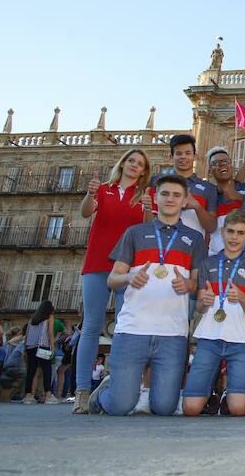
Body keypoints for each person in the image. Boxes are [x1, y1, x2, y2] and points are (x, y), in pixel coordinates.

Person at [89, 173, 206, 416]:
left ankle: (130, 389)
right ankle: (103, 394)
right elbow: (113, 279)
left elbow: (198, 284)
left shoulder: (194, 239)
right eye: (164, 194)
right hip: (133, 330)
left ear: (185, 201)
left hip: (172, 334)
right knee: (120, 407)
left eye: (176, 195)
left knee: (163, 408)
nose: (170, 199)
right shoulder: (135, 233)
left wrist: (189, 285)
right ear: (156, 198)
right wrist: (129, 277)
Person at [73, 148, 152, 413]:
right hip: (97, 262)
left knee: (124, 327)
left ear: (144, 171)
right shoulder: (104, 189)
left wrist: (150, 211)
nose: (134, 165)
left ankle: (118, 385)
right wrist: (89, 194)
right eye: (131, 160)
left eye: (140, 164)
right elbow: (86, 212)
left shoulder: (145, 196)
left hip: (126, 268)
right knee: (91, 327)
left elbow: (146, 228)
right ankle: (82, 391)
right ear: (123, 163)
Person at [183, 209, 245, 417]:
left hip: (240, 342)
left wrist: (243, 298)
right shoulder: (208, 263)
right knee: (190, 409)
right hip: (209, 339)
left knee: (239, 410)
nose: (234, 237)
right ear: (222, 232)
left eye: (240, 233)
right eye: (230, 232)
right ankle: (209, 394)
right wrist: (204, 302)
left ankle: (226, 392)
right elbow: (200, 307)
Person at [149, 133, 217, 239]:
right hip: (160, 246)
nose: (183, 157)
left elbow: (211, 227)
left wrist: (197, 206)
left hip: (192, 250)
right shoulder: (156, 182)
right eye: (179, 153)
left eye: (188, 153)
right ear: (171, 157)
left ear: (195, 156)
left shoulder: (208, 188)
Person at [206, 146, 245, 255]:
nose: (222, 164)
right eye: (216, 163)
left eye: (225, 161)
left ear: (231, 166)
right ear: (209, 171)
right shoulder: (208, 195)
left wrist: (240, 198)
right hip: (216, 259)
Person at [23, 300, 59, 404]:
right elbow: (50, 333)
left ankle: (28, 396)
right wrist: (52, 347)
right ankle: (48, 395)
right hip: (43, 346)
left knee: (31, 371)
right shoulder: (49, 317)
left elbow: (27, 333)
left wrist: (25, 349)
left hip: (31, 347)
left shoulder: (32, 319)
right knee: (47, 370)